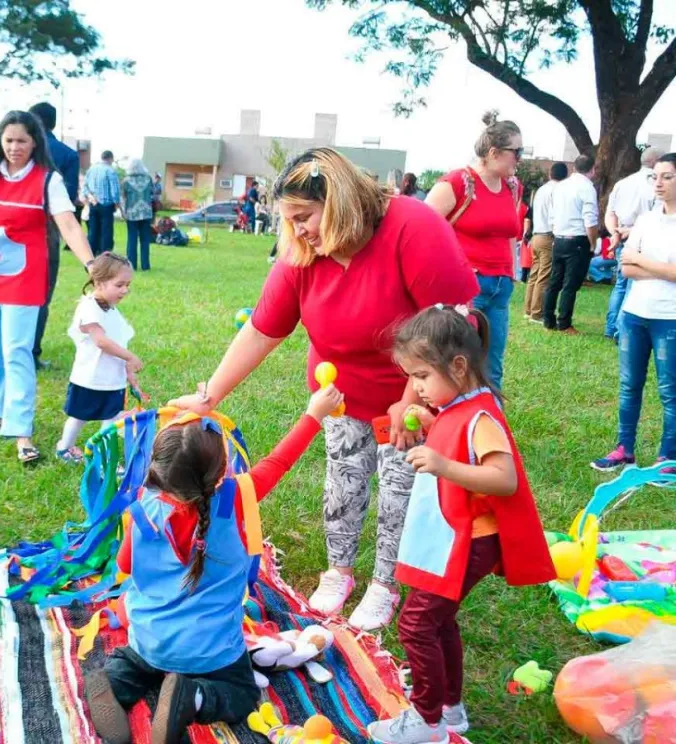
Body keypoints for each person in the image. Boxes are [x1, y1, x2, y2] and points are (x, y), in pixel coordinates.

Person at [170, 148, 478, 631]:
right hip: (342, 394)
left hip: (413, 391)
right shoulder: (303, 252)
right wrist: (210, 395)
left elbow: (452, 322)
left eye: (304, 216)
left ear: (338, 202)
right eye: (289, 220)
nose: (298, 230)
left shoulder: (412, 226)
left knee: (400, 488)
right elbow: (262, 329)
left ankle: (385, 583)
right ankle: (339, 572)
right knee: (343, 482)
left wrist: (410, 399)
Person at [84, 385, 346, 744]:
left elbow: (124, 564)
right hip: (211, 654)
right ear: (221, 470)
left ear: (157, 468)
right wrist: (314, 414)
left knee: (132, 662)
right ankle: (193, 696)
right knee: (241, 695)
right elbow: (279, 462)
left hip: (150, 643)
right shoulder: (238, 498)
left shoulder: (142, 509)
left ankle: (111, 684)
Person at [367, 306, 554, 744]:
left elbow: (503, 479)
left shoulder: (482, 416)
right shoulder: (458, 406)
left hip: (470, 541)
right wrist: (435, 428)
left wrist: (442, 463)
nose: (415, 388)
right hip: (457, 538)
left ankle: (426, 721)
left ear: (458, 366)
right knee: (440, 620)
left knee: (415, 623)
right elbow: (458, 438)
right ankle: (450, 710)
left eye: (421, 376)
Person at [0, 110, 96, 463]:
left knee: (17, 350)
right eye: (9, 140)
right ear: (0, 141)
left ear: (35, 143)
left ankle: (22, 431)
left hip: (24, 278)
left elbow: (70, 226)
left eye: (23, 141)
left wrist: (93, 265)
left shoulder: (49, 180)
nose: (15, 147)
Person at [425, 111, 523, 390]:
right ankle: (451, 426)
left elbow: (510, 234)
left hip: (500, 287)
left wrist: (512, 271)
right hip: (468, 287)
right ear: (494, 152)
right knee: (457, 362)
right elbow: (422, 228)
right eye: (517, 151)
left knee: (493, 366)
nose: (520, 158)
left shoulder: (513, 186)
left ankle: (488, 426)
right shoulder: (458, 182)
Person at [592, 153, 676, 472]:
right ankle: (624, 448)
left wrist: (644, 262)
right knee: (629, 385)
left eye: (667, 177)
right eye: (655, 176)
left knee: (670, 390)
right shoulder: (646, 220)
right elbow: (625, 267)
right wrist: (660, 269)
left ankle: (668, 458)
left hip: (670, 318)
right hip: (634, 315)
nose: (658, 183)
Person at [56, 253, 142, 463]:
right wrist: (131, 357)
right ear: (99, 282)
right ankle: (64, 448)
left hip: (111, 380)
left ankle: (103, 457)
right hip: (90, 379)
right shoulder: (89, 307)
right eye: (119, 284)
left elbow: (118, 342)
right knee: (79, 416)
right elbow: (101, 341)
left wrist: (128, 373)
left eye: (128, 284)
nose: (125, 290)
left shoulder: (110, 309)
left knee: (111, 418)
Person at [29, 101, 81, 370]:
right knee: (40, 294)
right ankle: (31, 352)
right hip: (47, 232)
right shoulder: (68, 155)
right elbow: (68, 200)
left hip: (13, 231)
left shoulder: (19, 149)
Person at [604, 147, 662, 341]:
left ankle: (611, 327)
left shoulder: (622, 184)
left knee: (620, 285)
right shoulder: (656, 186)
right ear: (658, 162)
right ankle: (622, 330)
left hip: (622, 236)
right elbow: (656, 217)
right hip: (644, 239)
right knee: (633, 286)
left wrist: (615, 234)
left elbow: (610, 213)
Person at [543, 154, 599, 334]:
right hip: (577, 240)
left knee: (554, 281)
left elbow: (552, 215)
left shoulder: (560, 186)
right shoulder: (587, 188)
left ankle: (548, 318)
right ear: (592, 169)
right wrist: (593, 243)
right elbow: (590, 220)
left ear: (574, 167)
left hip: (559, 237)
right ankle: (564, 323)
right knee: (570, 284)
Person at [522, 162, 567, 323]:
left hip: (536, 235)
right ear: (565, 176)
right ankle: (537, 312)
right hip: (548, 235)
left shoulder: (541, 190)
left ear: (550, 174)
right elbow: (557, 215)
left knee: (534, 274)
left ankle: (528, 310)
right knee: (544, 275)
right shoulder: (559, 190)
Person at [82, 150, 120, 256]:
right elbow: (114, 189)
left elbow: (85, 187)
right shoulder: (110, 171)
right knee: (106, 231)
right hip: (106, 204)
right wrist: (116, 202)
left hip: (93, 203)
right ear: (110, 158)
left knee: (93, 231)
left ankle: (91, 253)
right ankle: (105, 254)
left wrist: (90, 198)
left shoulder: (91, 169)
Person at [121, 159, 154, 271]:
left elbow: (123, 196)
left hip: (132, 213)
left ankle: (131, 265)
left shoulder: (126, 181)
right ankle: (145, 265)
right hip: (146, 212)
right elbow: (152, 193)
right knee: (145, 240)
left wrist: (123, 211)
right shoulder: (148, 179)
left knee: (132, 239)